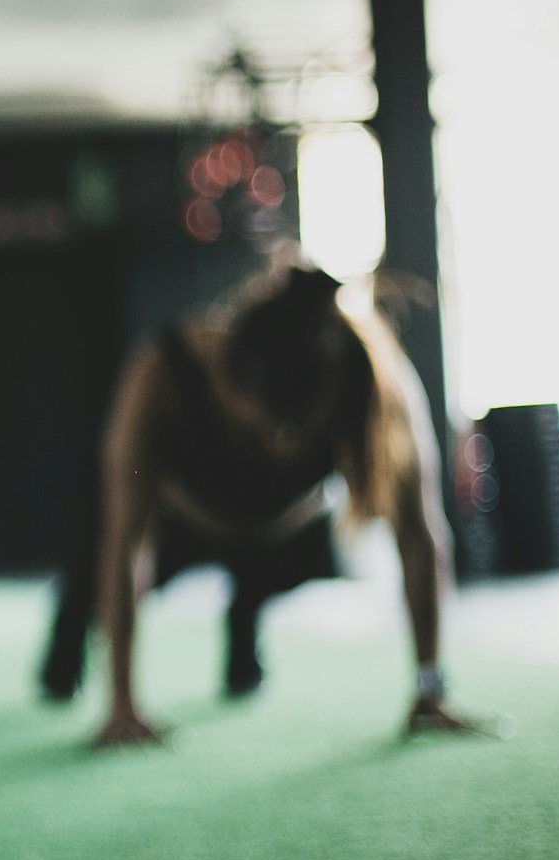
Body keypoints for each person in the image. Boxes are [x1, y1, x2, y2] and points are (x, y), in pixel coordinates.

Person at [38, 262, 484, 746]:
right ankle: (69, 627)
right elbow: (127, 542)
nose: (279, 445)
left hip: (284, 533)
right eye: (264, 426)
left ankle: (244, 611)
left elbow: (420, 537)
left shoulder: (372, 381)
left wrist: (430, 687)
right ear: (230, 382)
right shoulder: (162, 372)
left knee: (286, 569)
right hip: (180, 525)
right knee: (86, 589)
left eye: (293, 432)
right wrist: (122, 705)